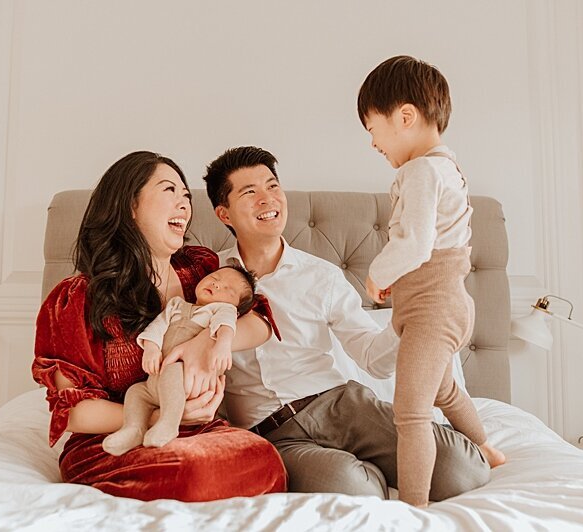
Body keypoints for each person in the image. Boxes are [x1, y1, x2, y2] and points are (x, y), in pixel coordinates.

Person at [182, 145, 490, 501]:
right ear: (224, 213)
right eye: (250, 193)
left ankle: (405, 446)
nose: (267, 199)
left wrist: (408, 317)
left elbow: (374, 360)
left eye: (272, 187)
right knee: (353, 488)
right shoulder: (205, 279)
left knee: (463, 471)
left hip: (343, 405)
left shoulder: (322, 276)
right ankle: (367, 468)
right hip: (273, 432)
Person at [31, 151, 286, 502]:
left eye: (186, 196)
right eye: (170, 191)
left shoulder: (200, 270)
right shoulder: (76, 298)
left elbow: (260, 320)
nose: (184, 205)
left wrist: (204, 346)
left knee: (265, 460)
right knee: (192, 470)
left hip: (200, 430)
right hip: (115, 442)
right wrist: (160, 415)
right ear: (131, 205)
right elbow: (75, 413)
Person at [357, 55, 506, 506]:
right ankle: (485, 448)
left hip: (433, 310)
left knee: (411, 412)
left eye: (372, 129)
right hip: (440, 305)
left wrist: (377, 275)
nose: (373, 143)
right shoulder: (447, 168)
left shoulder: (421, 170)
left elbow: (415, 245)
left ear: (404, 117)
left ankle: (415, 505)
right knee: (443, 389)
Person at [103, 265, 257, 455]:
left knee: (172, 370)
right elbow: (157, 326)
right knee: (136, 392)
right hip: (156, 383)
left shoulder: (222, 310)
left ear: (236, 308)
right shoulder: (177, 304)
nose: (217, 285)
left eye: (228, 289)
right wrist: (151, 348)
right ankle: (134, 428)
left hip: (188, 383)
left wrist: (222, 345)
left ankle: (169, 423)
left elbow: (226, 326)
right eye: (216, 278)